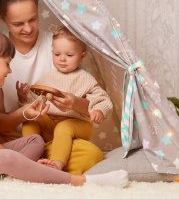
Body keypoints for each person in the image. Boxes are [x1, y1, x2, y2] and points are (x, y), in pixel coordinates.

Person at [0, 28, 129, 187]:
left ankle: (18, 171)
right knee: (4, 156)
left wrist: (25, 113)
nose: (10, 70)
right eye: (6, 63)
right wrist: (15, 161)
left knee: (34, 140)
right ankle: (79, 181)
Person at [0, 0, 104, 174]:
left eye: (33, 19)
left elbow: (91, 107)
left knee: (92, 155)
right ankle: (31, 162)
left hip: (55, 139)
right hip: (15, 140)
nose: (28, 28)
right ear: (3, 19)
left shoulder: (59, 47)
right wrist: (25, 112)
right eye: (18, 24)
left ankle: (33, 165)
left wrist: (74, 103)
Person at [18, 26, 113, 171]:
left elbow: (103, 99)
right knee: (30, 120)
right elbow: (35, 100)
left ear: (82, 55)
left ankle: (57, 165)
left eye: (69, 55)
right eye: (57, 54)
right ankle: (30, 157)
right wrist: (24, 97)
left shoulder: (85, 78)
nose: (62, 59)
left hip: (77, 125)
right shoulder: (47, 76)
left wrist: (99, 110)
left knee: (65, 128)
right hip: (50, 125)